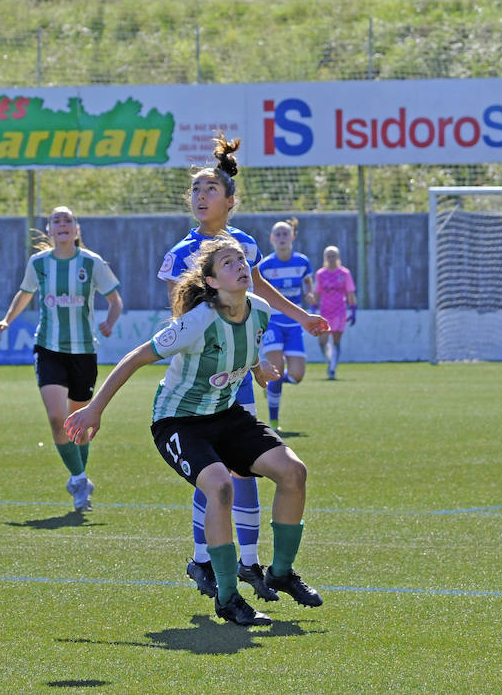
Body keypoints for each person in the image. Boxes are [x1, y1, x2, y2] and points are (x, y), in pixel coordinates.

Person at [65, 236, 325, 626]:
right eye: (227, 263)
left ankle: (282, 573)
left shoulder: (260, 310)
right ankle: (227, 597)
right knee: (220, 486)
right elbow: (136, 356)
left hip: (226, 414)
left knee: (294, 472)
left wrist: (258, 368)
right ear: (214, 282)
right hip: (179, 421)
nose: (240, 266)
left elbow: (246, 347)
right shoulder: (196, 321)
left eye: (241, 259)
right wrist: (94, 409)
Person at [157, 133, 327, 604]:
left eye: (208, 189)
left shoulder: (244, 245)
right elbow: (181, 317)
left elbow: (261, 295)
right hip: (201, 380)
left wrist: (301, 318)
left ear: (229, 200)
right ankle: (204, 561)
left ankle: (252, 564)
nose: (199, 197)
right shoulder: (183, 252)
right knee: (214, 474)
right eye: (194, 191)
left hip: (236, 373)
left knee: (248, 471)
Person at [0, 206, 123, 512]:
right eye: (56, 220)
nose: (62, 224)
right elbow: (24, 293)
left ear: (76, 229)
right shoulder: (39, 263)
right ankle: (79, 479)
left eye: (68, 220)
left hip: (83, 352)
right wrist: (7, 320)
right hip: (48, 347)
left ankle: (79, 477)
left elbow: (115, 299)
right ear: (49, 230)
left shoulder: (92, 263)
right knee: (56, 418)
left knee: (79, 424)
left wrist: (111, 322)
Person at [254, 218, 315, 432]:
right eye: (277, 234)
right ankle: (273, 422)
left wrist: (310, 293)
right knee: (276, 370)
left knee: (297, 375)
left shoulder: (302, 262)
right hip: (273, 323)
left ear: (292, 237)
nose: (281, 238)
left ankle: (272, 387)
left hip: (295, 323)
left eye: (285, 233)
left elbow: (308, 282)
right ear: (272, 239)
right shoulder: (266, 265)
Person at [310, 245, 357, 380]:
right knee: (322, 341)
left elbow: (350, 293)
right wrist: (313, 308)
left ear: (338, 257)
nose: (331, 259)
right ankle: (330, 359)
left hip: (339, 311)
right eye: (328, 256)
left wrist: (353, 310)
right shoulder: (320, 274)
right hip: (325, 312)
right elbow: (317, 293)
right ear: (325, 258)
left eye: (333, 256)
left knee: (336, 340)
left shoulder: (344, 273)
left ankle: (332, 369)